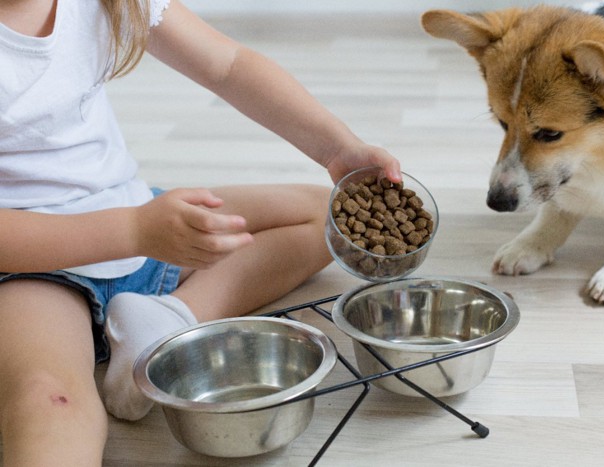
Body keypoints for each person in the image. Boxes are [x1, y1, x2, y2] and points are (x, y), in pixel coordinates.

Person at [0, 0, 402, 465]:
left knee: (328, 217)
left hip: (135, 213)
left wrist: (337, 148)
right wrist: (131, 231)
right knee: (50, 403)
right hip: (33, 263)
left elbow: (228, 66)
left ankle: (165, 318)